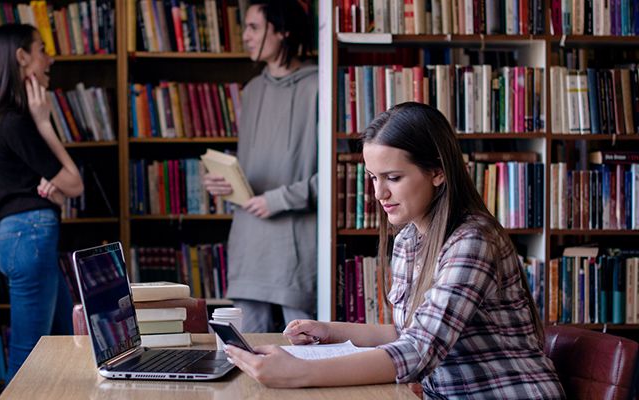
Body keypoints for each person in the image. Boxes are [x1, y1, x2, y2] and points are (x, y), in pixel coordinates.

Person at [224, 102, 565, 398]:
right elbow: (409, 334)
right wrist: (332, 331)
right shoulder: (408, 239)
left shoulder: (473, 241)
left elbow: (417, 352)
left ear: (438, 172)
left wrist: (298, 372)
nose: (379, 193)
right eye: (373, 177)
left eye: (393, 178)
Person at [202, 0, 318, 333]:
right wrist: (227, 185)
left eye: (254, 27)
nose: (245, 36)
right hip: (249, 242)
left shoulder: (318, 87)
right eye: (245, 27)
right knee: (246, 348)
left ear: (282, 31)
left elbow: (339, 175)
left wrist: (277, 200)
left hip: (297, 243)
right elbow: (249, 170)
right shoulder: (251, 91)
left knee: (304, 344)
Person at [0, 24, 83, 381]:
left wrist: (49, 183)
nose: (49, 58)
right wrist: (45, 124)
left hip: (24, 237)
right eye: (41, 49)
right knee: (28, 358)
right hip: (30, 236)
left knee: (71, 342)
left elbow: (56, 183)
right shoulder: (15, 121)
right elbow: (74, 183)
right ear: (22, 57)